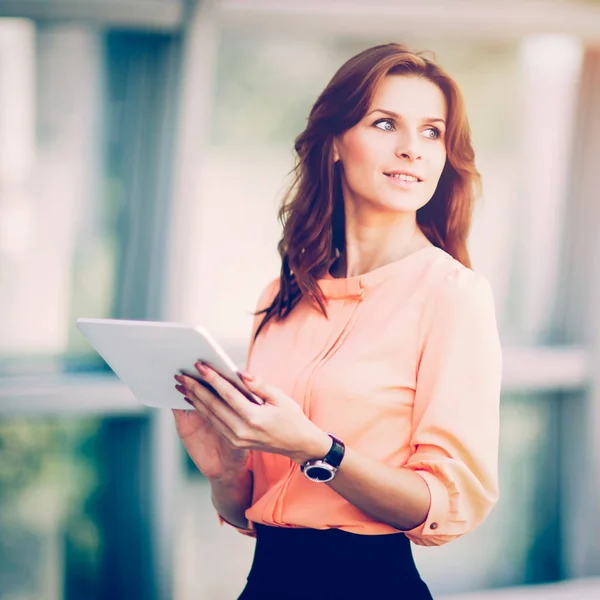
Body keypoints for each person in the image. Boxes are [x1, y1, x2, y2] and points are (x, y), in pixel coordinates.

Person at [173, 43, 502, 600]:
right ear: (332, 144)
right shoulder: (280, 296)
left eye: (431, 132)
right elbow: (251, 512)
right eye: (385, 123)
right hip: (267, 581)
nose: (411, 149)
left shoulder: (453, 295)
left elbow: (446, 506)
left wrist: (319, 450)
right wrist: (226, 472)